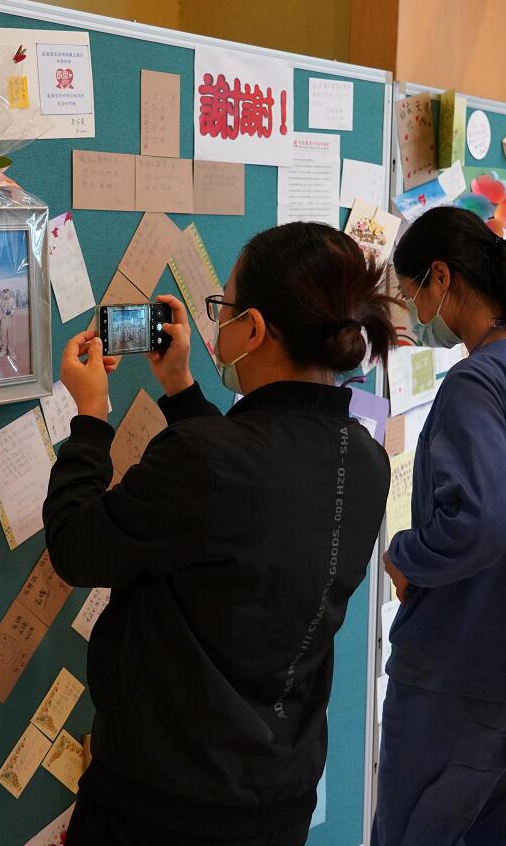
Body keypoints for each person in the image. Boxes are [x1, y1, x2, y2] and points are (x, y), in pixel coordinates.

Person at [43, 222, 396, 845]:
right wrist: (181, 390)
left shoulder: (208, 459)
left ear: (254, 329)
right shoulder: (364, 458)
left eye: (224, 307)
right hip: (277, 797)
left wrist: (90, 419)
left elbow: (76, 546)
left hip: (161, 804)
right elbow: (241, 498)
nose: (216, 323)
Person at [373, 206, 506, 845]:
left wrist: (405, 554)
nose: (410, 309)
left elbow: (484, 521)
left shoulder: (477, 380)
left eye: (409, 292)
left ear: (440, 278)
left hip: (462, 671)